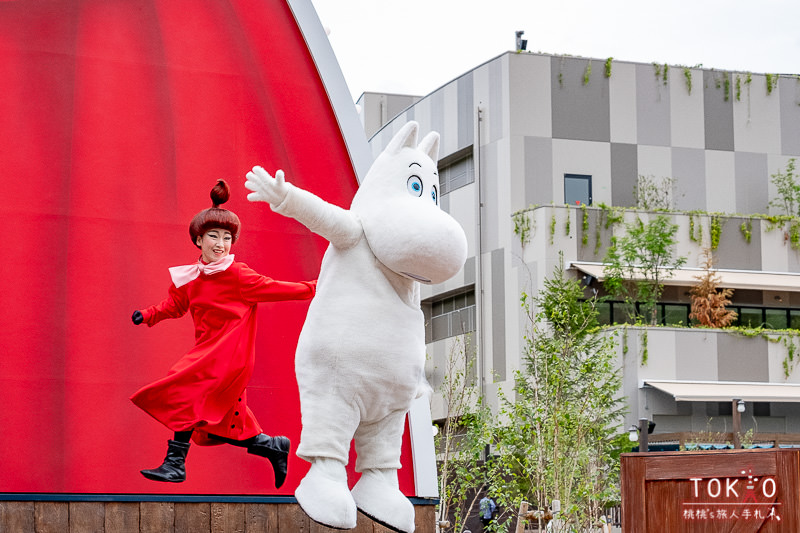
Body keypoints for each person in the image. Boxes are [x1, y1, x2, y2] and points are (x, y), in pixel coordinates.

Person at [130, 179, 316, 487]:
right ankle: (271, 446)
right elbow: (174, 305)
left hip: (229, 355)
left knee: (185, 386)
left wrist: (320, 287)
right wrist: (148, 315)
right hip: (207, 350)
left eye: (227, 237)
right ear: (198, 240)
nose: (221, 243)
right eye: (213, 236)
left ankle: (175, 464)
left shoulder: (239, 276)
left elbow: (281, 289)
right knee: (223, 425)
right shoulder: (189, 277)